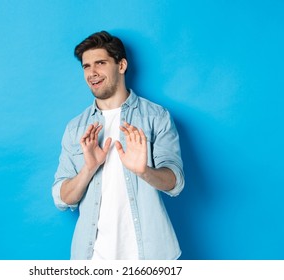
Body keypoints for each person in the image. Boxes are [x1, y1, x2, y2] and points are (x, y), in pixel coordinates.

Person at [52, 31, 185, 260]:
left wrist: (144, 171)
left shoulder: (156, 117)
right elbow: (62, 198)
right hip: (92, 258)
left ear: (121, 65)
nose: (92, 73)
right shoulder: (76, 128)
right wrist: (89, 168)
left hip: (149, 256)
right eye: (86, 66)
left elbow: (175, 181)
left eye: (100, 63)